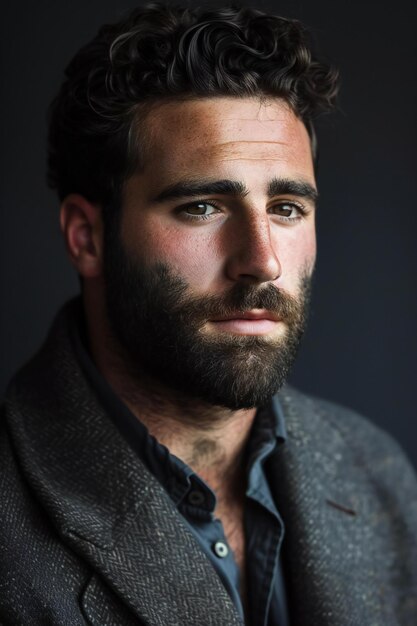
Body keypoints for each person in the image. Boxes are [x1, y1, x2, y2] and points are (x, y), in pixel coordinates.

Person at [1, 3, 416, 625]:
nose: (263, 261)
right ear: (86, 237)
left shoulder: (377, 469)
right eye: (201, 207)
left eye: (286, 208)